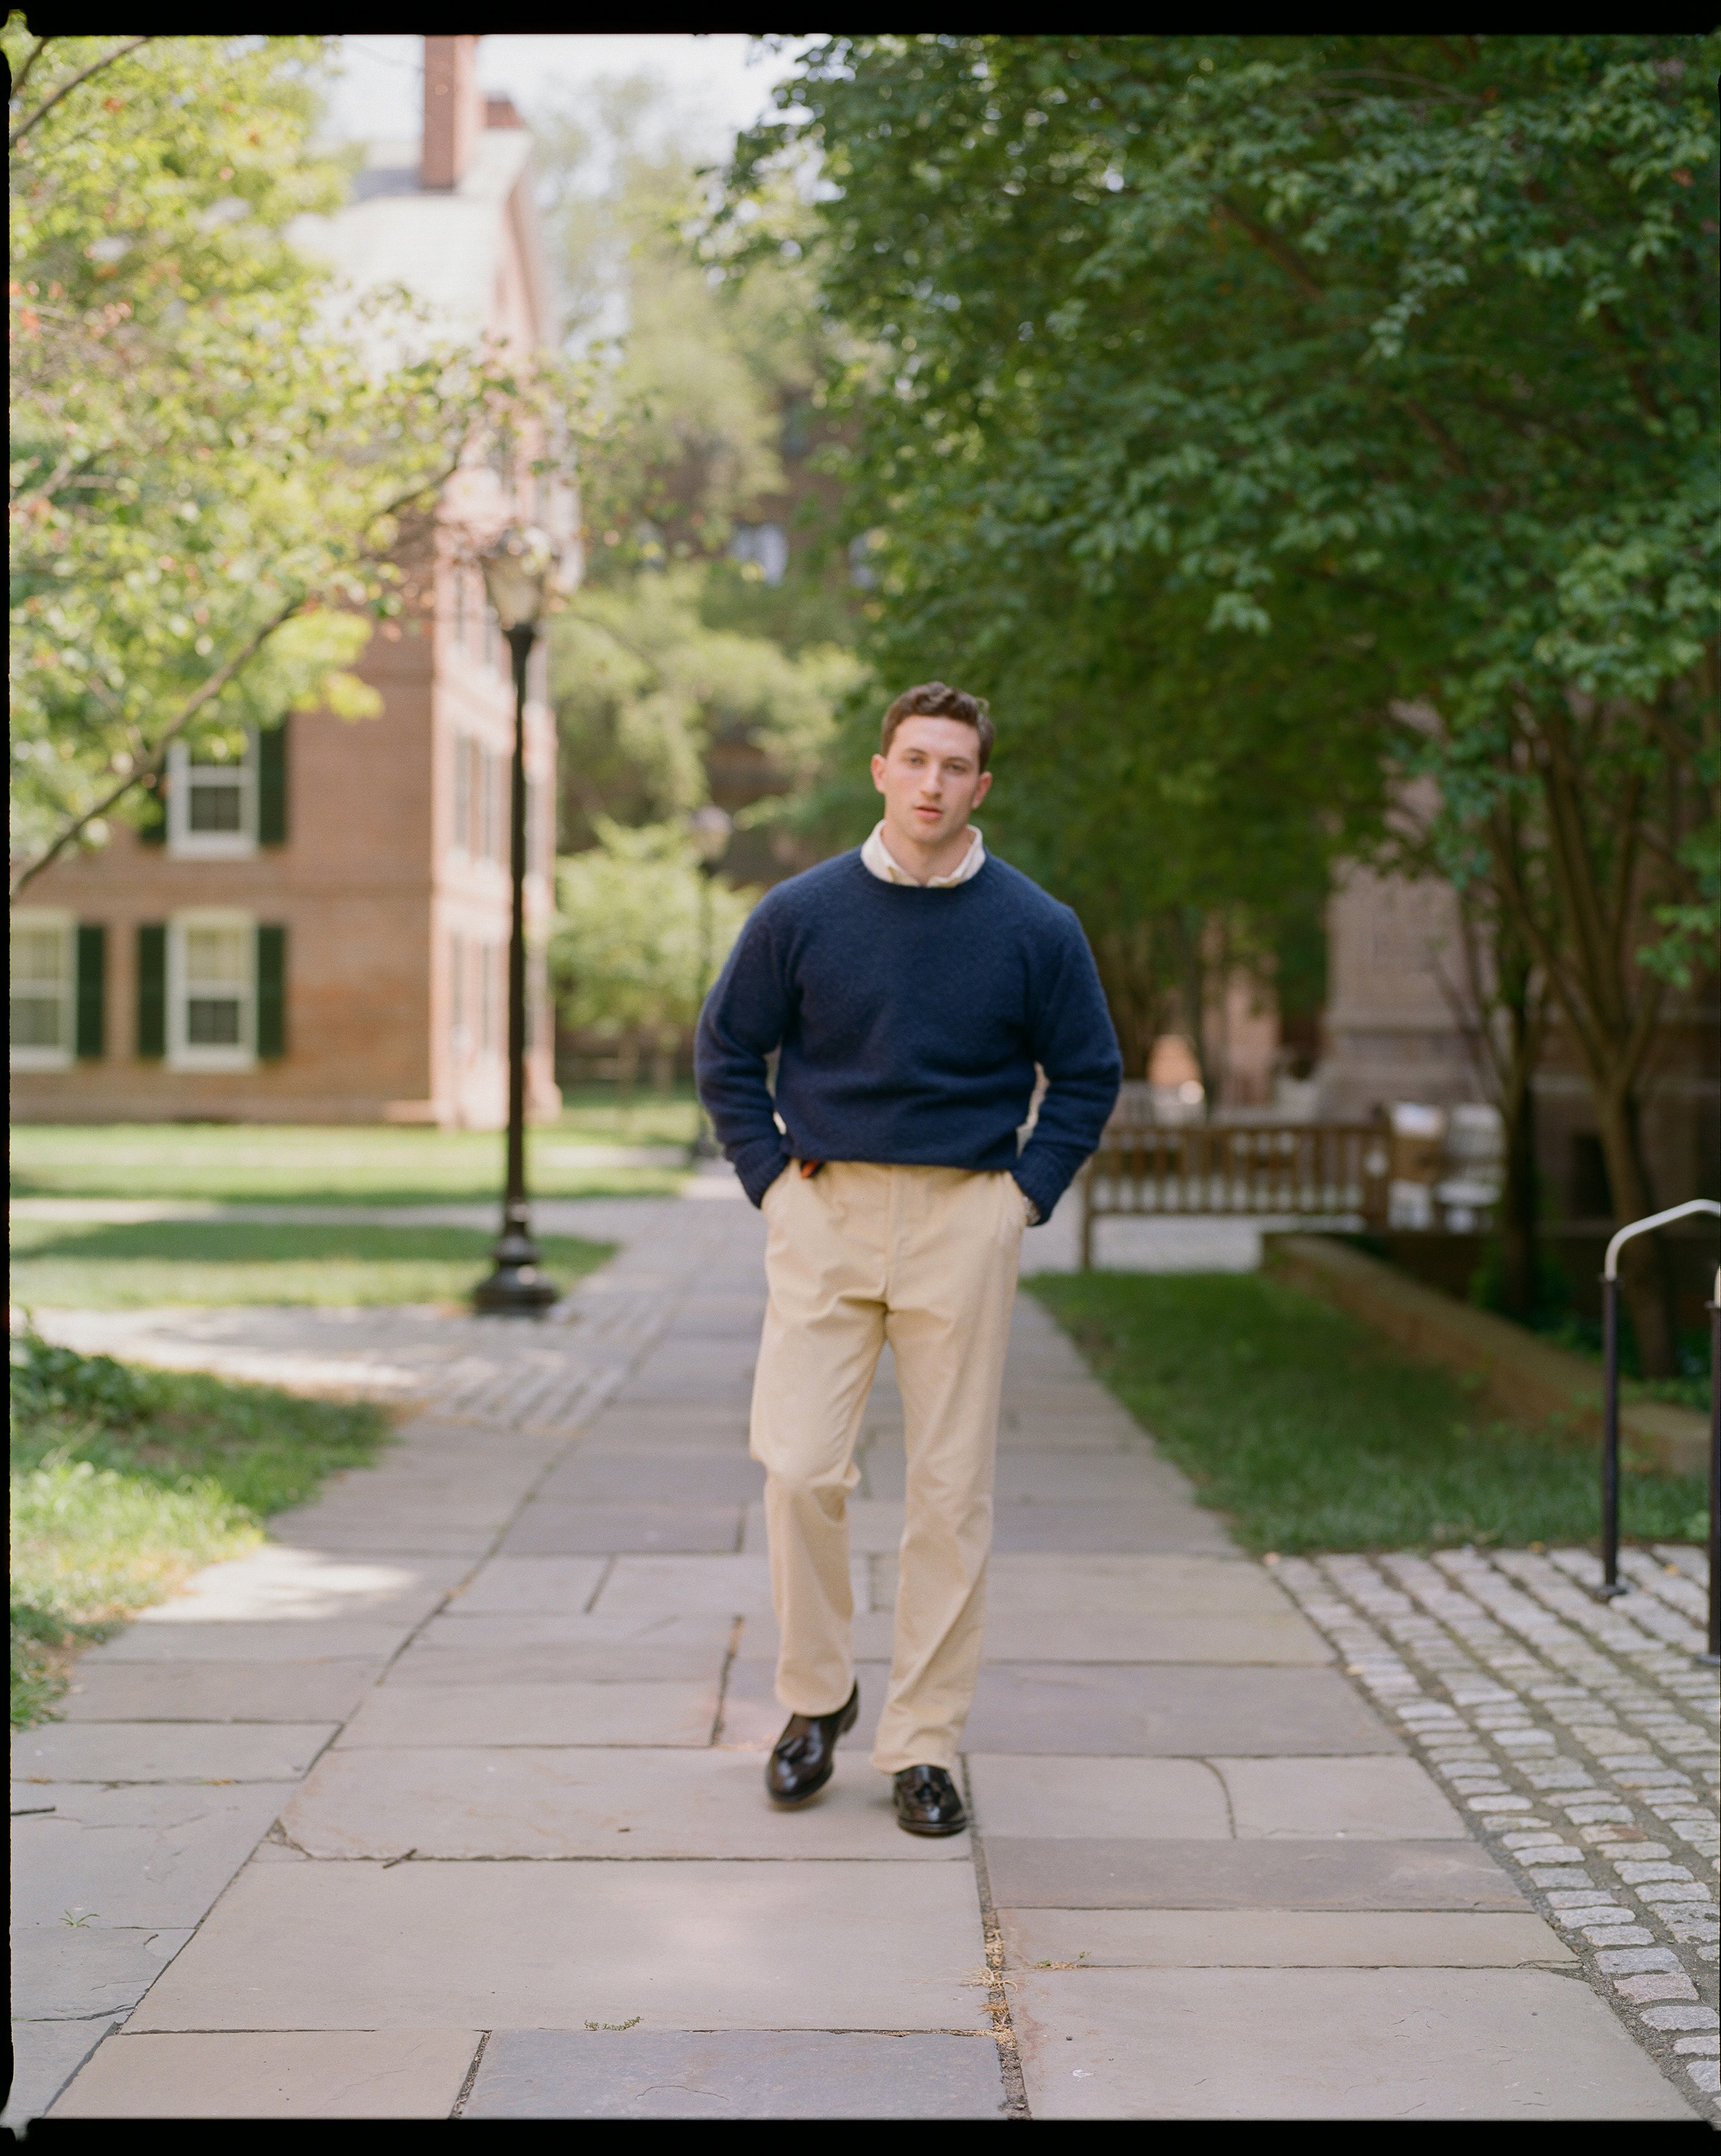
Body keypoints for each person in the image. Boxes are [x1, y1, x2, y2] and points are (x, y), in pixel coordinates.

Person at [695, 681, 1122, 1834]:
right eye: (915, 759)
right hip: (825, 1210)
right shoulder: (802, 912)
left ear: (981, 787)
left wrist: (1022, 1199)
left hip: (964, 1216)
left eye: (955, 766)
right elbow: (729, 1049)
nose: (933, 783)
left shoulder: (1035, 927)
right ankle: (815, 1696)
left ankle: (924, 1743)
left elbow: (1088, 1073)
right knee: (799, 1468)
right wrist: (770, 1183)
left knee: (948, 1493)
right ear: (881, 769)